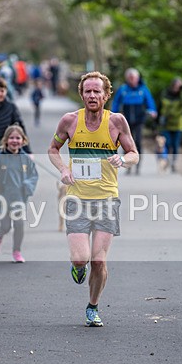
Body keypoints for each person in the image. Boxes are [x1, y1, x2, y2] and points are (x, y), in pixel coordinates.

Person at [49, 72, 138, 327]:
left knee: (99, 260)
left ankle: (93, 306)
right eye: (88, 91)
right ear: (81, 94)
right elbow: (53, 149)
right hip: (77, 198)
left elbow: (134, 153)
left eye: (97, 91)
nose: (92, 95)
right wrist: (64, 169)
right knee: (81, 259)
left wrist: (123, 159)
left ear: (106, 95)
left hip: (107, 200)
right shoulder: (69, 121)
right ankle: (78, 267)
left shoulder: (117, 122)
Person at [0, 125, 38, 263]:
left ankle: (17, 251)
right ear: (6, 140)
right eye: (11, 138)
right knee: (5, 226)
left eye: (18, 138)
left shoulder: (26, 159)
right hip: (2, 197)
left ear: (23, 140)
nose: (14, 140)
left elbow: (33, 175)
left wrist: (27, 185)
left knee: (19, 224)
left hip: (19, 198)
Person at [110, 68, 157, 174]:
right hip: (126, 121)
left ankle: (138, 165)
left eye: (134, 78)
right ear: (127, 79)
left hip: (139, 120)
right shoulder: (123, 89)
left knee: (138, 142)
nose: (132, 80)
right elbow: (116, 103)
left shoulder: (143, 89)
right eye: (130, 78)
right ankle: (127, 164)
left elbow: (150, 101)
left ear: (138, 78)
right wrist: (113, 114)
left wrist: (152, 111)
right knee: (126, 143)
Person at [158, 77, 182, 172]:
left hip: (178, 125)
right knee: (167, 144)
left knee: (175, 145)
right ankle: (166, 160)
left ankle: (174, 163)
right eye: (177, 85)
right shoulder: (165, 93)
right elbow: (160, 107)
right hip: (166, 124)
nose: (178, 87)